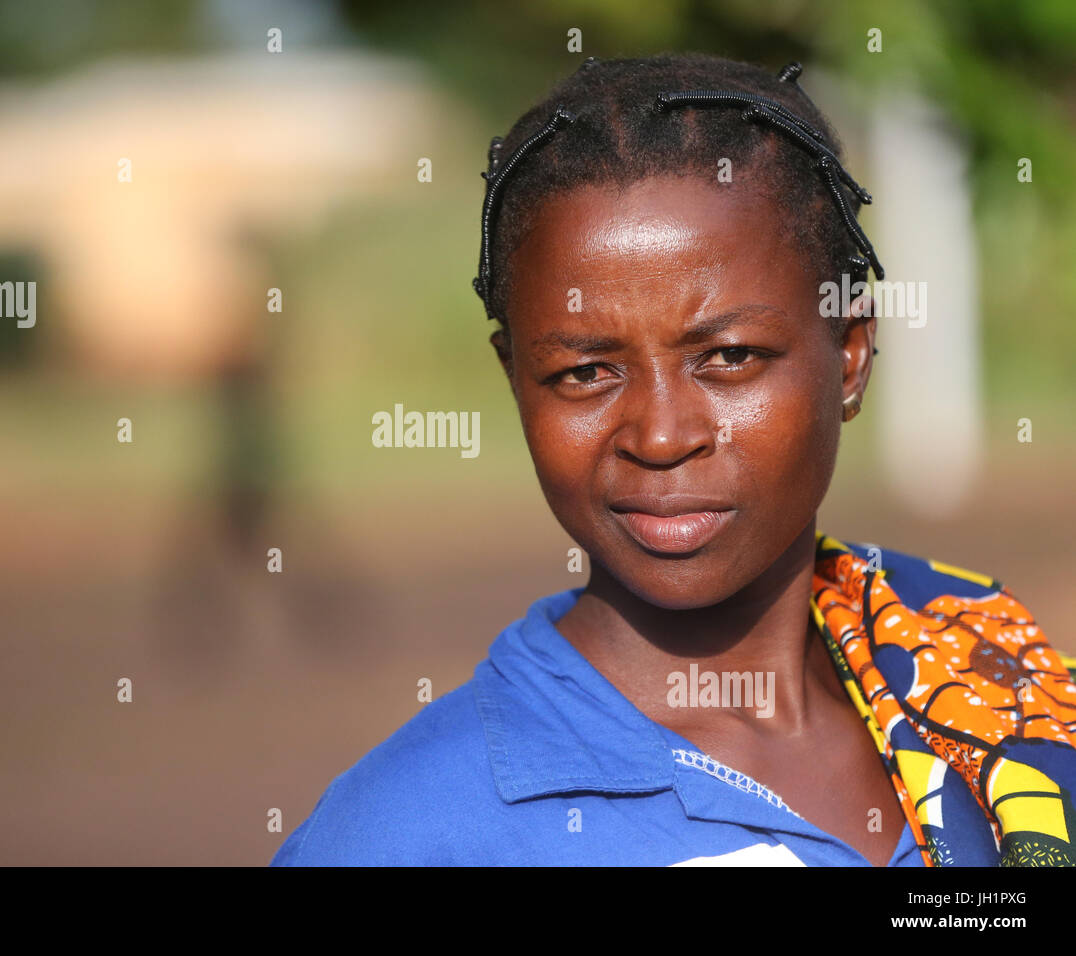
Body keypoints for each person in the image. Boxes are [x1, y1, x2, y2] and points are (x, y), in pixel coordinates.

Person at [271, 53, 1076, 867]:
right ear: (516, 379)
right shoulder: (413, 832)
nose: (660, 437)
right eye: (585, 372)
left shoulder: (993, 689)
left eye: (729, 357)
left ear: (850, 357)